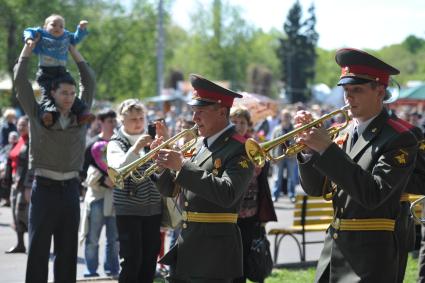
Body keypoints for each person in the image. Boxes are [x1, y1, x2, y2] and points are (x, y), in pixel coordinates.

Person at [295, 48, 418, 282]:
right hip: (333, 249)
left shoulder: (399, 138)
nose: (348, 97)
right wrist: (309, 152)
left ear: (380, 91)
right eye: (346, 90)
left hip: (371, 255)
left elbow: (373, 193)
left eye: (357, 90)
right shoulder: (341, 133)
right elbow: (315, 189)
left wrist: (327, 149)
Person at [153, 74, 254, 282]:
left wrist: (181, 165)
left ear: (222, 112)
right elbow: (169, 191)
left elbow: (228, 193)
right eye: (193, 111)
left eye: (200, 111)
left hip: (216, 254)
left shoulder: (240, 149)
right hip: (188, 244)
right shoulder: (199, 143)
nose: (194, 118)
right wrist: (163, 165)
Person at [14, 41, 95, 283]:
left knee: (68, 252)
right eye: (64, 93)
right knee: (38, 251)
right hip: (44, 189)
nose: (69, 97)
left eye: (72, 93)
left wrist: (71, 49)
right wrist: (28, 49)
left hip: (70, 189)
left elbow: (88, 82)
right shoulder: (38, 114)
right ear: (52, 93)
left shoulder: (81, 115)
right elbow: (20, 82)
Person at [106, 99, 162, 283]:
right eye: (133, 119)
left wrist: (165, 144)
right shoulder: (116, 143)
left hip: (153, 209)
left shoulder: (151, 140)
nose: (138, 122)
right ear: (122, 120)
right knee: (132, 261)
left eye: (141, 118)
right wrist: (136, 148)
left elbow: (164, 171)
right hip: (128, 210)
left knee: (149, 262)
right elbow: (119, 169)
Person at [230, 107, 277, 283]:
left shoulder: (253, 145)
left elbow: (260, 174)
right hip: (231, 212)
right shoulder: (226, 145)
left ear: (248, 125)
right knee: (231, 260)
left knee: (246, 256)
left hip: (251, 212)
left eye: (242, 122)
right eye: (234, 122)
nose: (238, 125)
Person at [23, 14, 93, 127]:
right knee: (46, 94)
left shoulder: (65, 36)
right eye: (53, 25)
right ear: (45, 26)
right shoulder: (41, 34)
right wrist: (29, 39)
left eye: (61, 26)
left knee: (69, 91)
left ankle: (82, 112)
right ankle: (48, 114)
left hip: (61, 71)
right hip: (45, 72)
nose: (58, 28)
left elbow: (76, 39)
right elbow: (28, 30)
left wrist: (81, 29)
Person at [80, 109, 119, 278]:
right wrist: (103, 181)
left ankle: (112, 270)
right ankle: (91, 271)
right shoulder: (92, 144)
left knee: (114, 239)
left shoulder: (120, 143)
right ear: (100, 122)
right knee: (92, 238)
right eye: (109, 120)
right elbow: (81, 170)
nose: (113, 123)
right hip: (97, 195)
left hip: (116, 197)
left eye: (114, 120)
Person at [3, 116, 32, 254]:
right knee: (15, 214)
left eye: (23, 125)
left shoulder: (31, 142)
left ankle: (34, 245)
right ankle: (20, 244)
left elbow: (31, 166)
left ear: (29, 126)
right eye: (19, 125)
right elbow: (11, 160)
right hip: (15, 182)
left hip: (25, 184)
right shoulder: (18, 141)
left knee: (24, 214)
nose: (20, 128)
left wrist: (28, 185)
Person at [271, 109, 299, 203]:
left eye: (288, 116)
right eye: (284, 116)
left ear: (290, 118)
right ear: (281, 117)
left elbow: (297, 143)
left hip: (291, 157)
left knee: (292, 177)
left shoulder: (295, 129)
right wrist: (272, 157)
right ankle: (275, 195)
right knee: (277, 177)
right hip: (279, 156)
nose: (286, 118)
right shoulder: (276, 129)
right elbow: (271, 144)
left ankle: (292, 195)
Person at [0, 131, 19, 207]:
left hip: (12, 169)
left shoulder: (18, 146)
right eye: (12, 137)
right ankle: (4, 198)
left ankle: (7, 199)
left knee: (5, 178)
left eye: (15, 137)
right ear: (8, 139)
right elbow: (2, 157)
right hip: (4, 167)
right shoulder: (6, 147)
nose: (13, 139)